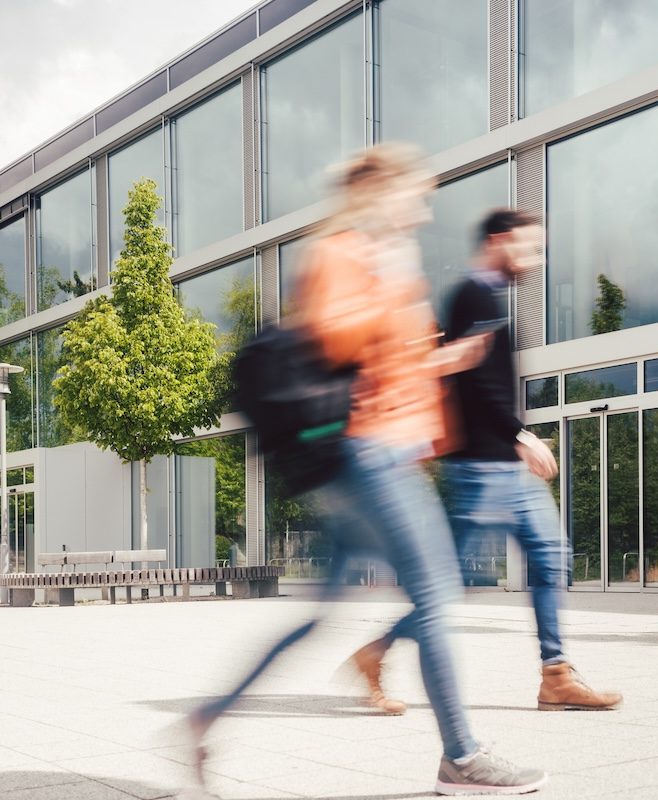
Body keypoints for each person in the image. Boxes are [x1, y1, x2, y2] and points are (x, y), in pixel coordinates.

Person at [182, 153, 548, 797]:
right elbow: (335, 339)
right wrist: (393, 294)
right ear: (382, 193)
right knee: (436, 594)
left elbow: (384, 366)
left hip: (381, 451)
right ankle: (461, 758)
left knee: (323, 615)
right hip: (367, 453)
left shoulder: (372, 258)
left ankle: (209, 716)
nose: (425, 210)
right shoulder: (344, 253)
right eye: (418, 196)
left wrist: (440, 359)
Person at [349, 207, 623, 715]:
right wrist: (519, 433)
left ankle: (556, 674)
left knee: (550, 558)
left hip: (504, 468)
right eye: (529, 247)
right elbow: (474, 382)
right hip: (478, 468)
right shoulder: (472, 295)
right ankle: (376, 652)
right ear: (499, 240)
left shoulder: (488, 297)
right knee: (447, 585)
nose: (535, 259)